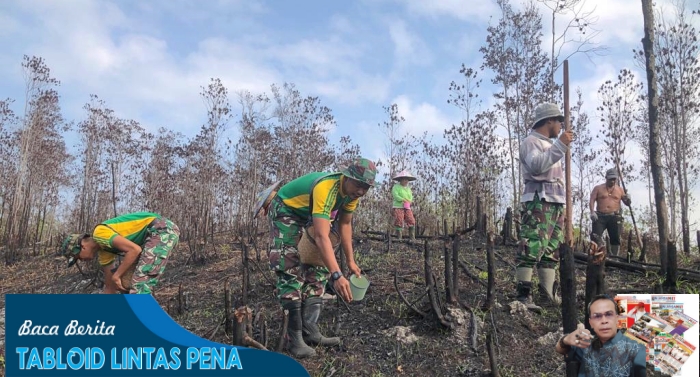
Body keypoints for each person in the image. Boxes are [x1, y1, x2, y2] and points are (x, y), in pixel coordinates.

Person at [267, 157, 376, 358]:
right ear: (346, 177)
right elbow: (321, 236)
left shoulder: (352, 196)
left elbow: (344, 225)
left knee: (318, 267)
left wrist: (350, 261)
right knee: (288, 265)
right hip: (286, 209)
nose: (361, 191)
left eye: (366, 188)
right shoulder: (326, 187)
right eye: (359, 184)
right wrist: (337, 275)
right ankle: (294, 339)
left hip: (307, 214)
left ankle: (310, 331)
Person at [516, 102, 573, 311]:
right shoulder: (531, 142)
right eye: (559, 121)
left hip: (555, 201)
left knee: (551, 251)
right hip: (539, 200)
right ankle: (523, 295)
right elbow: (537, 166)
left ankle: (547, 295)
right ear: (549, 121)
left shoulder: (549, 144)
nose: (561, 126)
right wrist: (560, 145)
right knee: (531, 245)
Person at [60, 211, 180, 294]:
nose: (81, 260)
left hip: (161, 230)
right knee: (126, 284)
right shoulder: (104, 251)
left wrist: (116, 276)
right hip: (152, 235)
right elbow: (110, 287)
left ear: (82, 247)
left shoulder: (99, 233)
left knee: (139, 286)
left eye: (78, 257)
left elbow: (135, 250)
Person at [555, 294, 647, 376]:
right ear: (590, 322)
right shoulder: (586, 344)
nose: (604, 321)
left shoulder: (635, 348)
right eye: (597, 316)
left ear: (617, 319)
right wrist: (565, 340)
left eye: (609, 314)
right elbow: (560, 349)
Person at [589, 168, 631, 256]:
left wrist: (628, 199)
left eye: (614, 179)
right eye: (611, 179)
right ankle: (595, 255)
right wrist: (592, 212)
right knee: (595, 236)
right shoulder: (598, 188)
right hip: (600, 216)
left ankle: (615, 257)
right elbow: (592, 200)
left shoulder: (620, 190)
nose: (612, 181)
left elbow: (626, 203)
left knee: (615, 238)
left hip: (614, 216)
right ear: (606, 177)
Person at [391, 169, 417, 241]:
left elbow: (411, 196)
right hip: (398, 206)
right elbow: (395, 195)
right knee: (399, 220)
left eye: (407, 180)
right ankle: (399, 238)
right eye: (404, 179)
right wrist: (402, 199)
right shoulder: (396, 187)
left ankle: (412, 238)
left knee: (411, 220)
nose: (406, 181)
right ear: (401, 180)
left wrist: (409, 201)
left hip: (407, 207)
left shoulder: (408, 189)